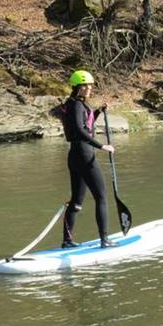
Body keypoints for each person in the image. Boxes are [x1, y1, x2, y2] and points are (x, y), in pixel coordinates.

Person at [60, 70, 118, 249]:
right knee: (101, 196)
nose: (88, 88)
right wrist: (102, 146)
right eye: (84, 85)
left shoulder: (72, 104)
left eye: (90, 85)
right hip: (85, 156)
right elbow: (79, 130)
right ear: (76, 87)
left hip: (75, 157)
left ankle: (67, 241)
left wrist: (99, 111)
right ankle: (105, 240)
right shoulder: (77, 105)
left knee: (76, 201)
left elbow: (86, 125)